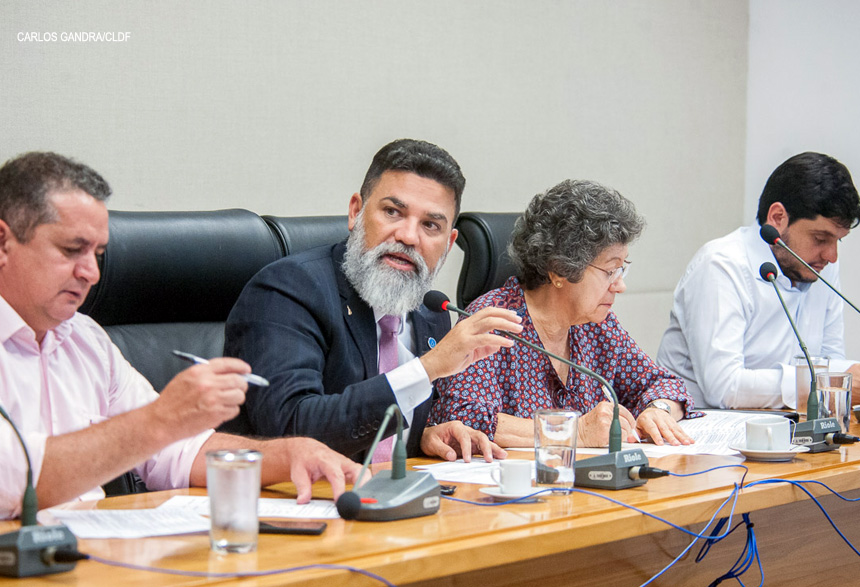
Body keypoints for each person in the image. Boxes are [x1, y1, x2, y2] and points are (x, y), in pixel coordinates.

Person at [0, 151, 361, 520]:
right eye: (72, 250)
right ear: (3, 243)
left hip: (84, 556)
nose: (91, 272)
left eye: (99, 254)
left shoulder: (85, 339)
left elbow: (174, 451)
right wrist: (161, 419)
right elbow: (10, 481)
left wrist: (290, 455)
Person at [225, 139, 520, 462]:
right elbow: (290, 428)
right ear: (356, 211)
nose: (409, 236)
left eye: (430, 225)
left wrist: (419, 436)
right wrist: (429, 367)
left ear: (449, 244)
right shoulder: (288, 289)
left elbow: (368, 432)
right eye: (393, 212)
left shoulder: (429, 312)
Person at [430, 179, 698, 448]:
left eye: (622, 269)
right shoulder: (492, 322)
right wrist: (575, 431)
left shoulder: (595, 325)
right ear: (559, 269)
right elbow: (462, 418)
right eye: (610, 271)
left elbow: (662, 383)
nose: (621, 286)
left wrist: (658, 410)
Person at [657, 152, 860, 409]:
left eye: (838, 240)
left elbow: (830, 360)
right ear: (777, 218)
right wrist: (822, 383)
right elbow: (724, 388)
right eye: (820, 239)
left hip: (787, 429)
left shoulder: (821, 265)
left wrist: (843, 380)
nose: (831, 255)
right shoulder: (721, 265)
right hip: (701, 436)